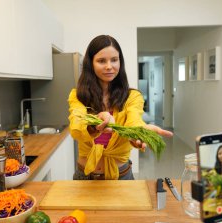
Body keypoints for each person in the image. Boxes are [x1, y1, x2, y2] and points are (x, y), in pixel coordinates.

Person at [68, 35, 173, 180]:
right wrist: (96, 123)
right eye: (101, 61)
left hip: (121, 175)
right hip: (85, 176)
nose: (109, 66)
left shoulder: (132, 96)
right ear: (90, 63)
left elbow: (133, 121)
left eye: (114, 60)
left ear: (120, 62)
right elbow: (76, 127)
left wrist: (139, 132)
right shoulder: (78, 95)